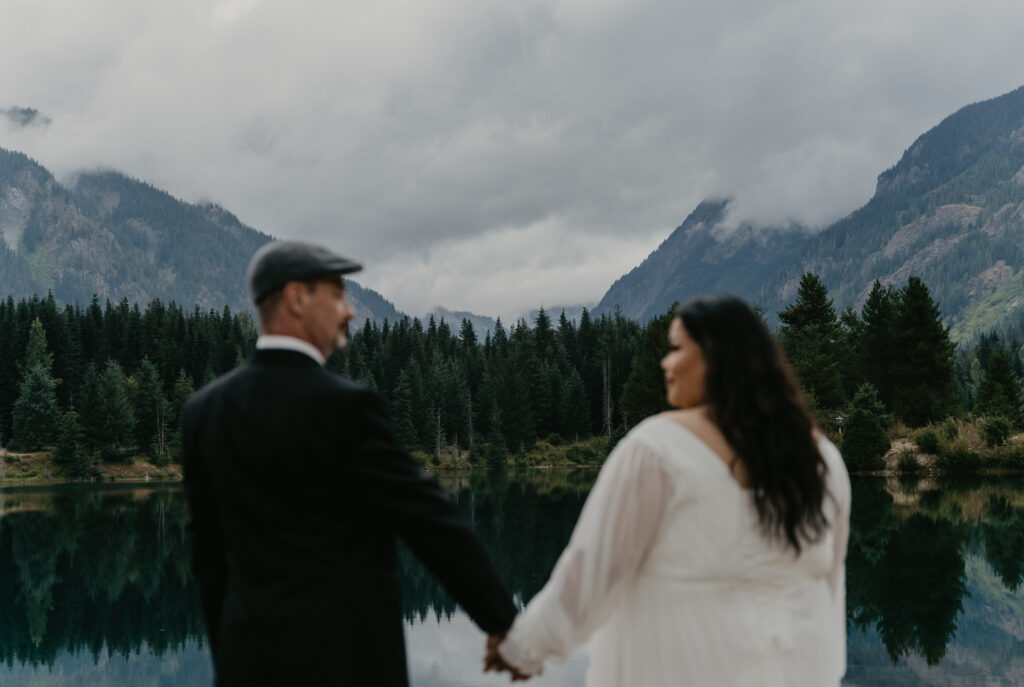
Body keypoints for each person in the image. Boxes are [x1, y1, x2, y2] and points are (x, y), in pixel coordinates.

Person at [182, 240, 517, 686]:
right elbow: (428, 519)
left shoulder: (204, 412)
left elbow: (208, 560)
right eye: (337, 294)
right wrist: (502, 621)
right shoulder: (345, 407)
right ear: (297, 298)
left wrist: (232, 661)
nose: (349, 311)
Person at [485, 294, 851, 686]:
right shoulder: (823, 461)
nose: (665, 363)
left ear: (716, 358)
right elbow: (831, 584)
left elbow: (591, 575)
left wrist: (523, 647)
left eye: (676, 348)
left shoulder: (656, 451)